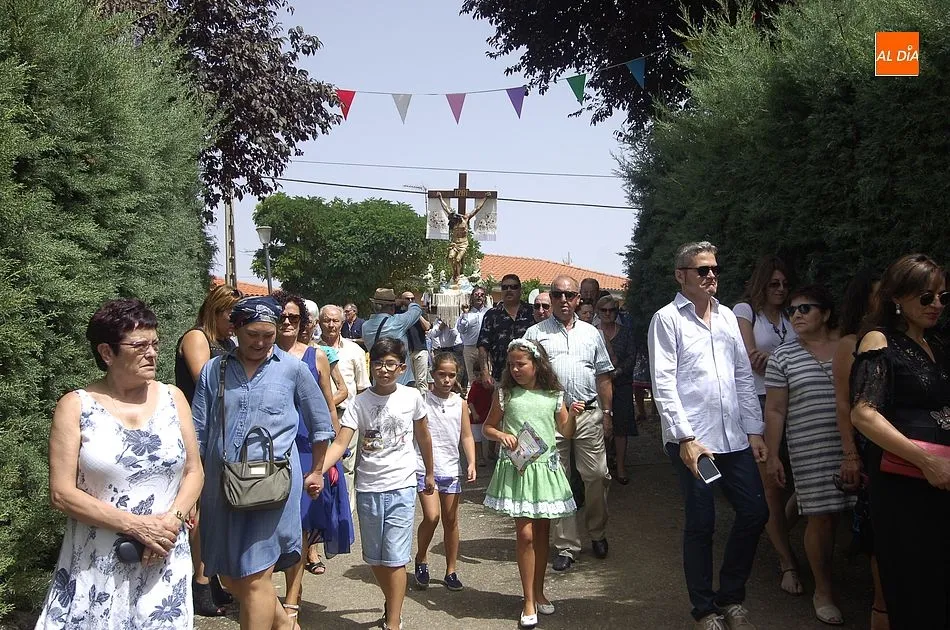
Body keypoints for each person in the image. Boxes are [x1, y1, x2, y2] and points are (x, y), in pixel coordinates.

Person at [37, 298, 204, 628]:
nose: (152, 353)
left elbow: (194, 471)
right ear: (107, 352)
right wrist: (136, 525)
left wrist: (172, 520)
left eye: (155, 343)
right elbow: (61, 493)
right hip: (96, 564)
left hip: (163, 559)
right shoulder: (76, 407)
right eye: (140, 345)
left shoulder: (173, 398)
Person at [191, 296, 333, 630]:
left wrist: (316, 469)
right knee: (228, 576)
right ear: (236, 328)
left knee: (255, 576)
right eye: (253, 333)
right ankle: (285, 624)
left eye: (268, 335)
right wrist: (193, 483)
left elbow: (321, 424)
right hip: (222, 484)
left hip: (272, 484)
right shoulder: (215, 369)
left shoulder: (293, 369)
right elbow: (197, 429)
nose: (260, 342)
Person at [648, 241, 769, 630]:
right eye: (703, 270)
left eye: (715, 268)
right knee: (701, 522)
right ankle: (705, 609)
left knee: (755, 512)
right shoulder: (667, 319)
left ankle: (731, 597)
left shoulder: (729, 317)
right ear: (681, 275)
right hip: (694, 441)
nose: (712, 275)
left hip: (733, 436)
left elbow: (742, 377)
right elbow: (663, 383)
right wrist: (684, 439)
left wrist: (754, 430)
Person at [850, 254, 950, 630]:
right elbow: (863, 413)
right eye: (926, 297)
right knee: (916, 583)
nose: (937, 305)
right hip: (906, 482)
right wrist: (926, 461)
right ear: (897, 297)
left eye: (943, 297)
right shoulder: (879, 339)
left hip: (943, 479)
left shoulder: (937, 343)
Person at [319, 337, 436, 630]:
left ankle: (393, 620)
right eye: (379, 364)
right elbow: (341, 442)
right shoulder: (360, 402)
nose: (383, 370)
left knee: (395, 559)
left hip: (402, 485)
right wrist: (317, 469)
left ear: (402, 368)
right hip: (369, 486)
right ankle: (392, 598)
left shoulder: (412, 398)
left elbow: (424, 437)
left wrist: (430, 472)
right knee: (375, 558)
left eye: (390, 364)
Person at [764, 285, 855, 625]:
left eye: (805, 309)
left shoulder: (850, 346)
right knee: (822, 517)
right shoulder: (783, 356)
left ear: (826, 313)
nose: (796, 316)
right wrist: (773, 455)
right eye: (792, 311)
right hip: (808, 445)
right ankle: (824, 590)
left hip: (853, 444)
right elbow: (774, 411)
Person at [483, 338, 585, 629]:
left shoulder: (553, 394)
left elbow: (564, 430)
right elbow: (489, 426)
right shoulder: (506, 395)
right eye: (512, 364)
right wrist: (501, 435)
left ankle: (538, 592)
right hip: (519, 471)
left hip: (545, 471)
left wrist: (574, 416)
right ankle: (528, 600)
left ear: (536, 365)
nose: (515, 369)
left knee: (542, 535)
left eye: (521, 364)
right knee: (525, 535)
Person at [523, 275, 614, 572]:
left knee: (597, 475)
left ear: (579, 299)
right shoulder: (535, 334)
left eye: (569, 295)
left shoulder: (591, 333)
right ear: (551, 297)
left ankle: (597, 532)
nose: (564, 300)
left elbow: (603, 375)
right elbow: (524, 377)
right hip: (551, 416)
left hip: (588, 414)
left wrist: (608, 414)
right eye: (558, 294)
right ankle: (566, 545)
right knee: (558, 480)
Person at [271, 291, 351, 623]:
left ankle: (292, 600)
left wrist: (334, 456)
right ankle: (270, 595)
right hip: (273, 448)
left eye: (293, 318)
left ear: (303, 323)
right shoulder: (260, 354)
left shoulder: (316, 356)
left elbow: (329, 408)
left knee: (301, 525)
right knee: (273, 524)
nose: (287, 323)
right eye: (281, 317)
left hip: (307, 447)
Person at [733, 255, 802, 595]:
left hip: (796, 402)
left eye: (785, 284)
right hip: (760, 403)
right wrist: (783, 360)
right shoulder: (745, 312)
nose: (781, 289)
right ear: (762, 283)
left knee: (802, 483)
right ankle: (786, 562)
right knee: (771, 486)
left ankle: (774, 532)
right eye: (774, 283)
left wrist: (772, 359)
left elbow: (772, 358)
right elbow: (750, 359)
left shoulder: (793, 315)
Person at [174, 283, 241, 616]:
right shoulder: (197, 338)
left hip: (219, 433)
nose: (236, 321)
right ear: (216, 310)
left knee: (214, 511)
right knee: (199, 514)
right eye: (232, 314)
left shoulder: (226, 342)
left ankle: (210, 577)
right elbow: (207, 381)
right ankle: (199, 587)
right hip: (196, 433)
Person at [831, 270, 888, 630]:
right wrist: (850, 454)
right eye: (880, 294)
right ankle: (881, 608)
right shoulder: (849, 344)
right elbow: (843, 404)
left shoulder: (901, 340)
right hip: (870, 450)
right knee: (878, 532)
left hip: (901, 445)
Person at [413, 352, 477, 592]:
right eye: (442, 374)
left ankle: (451, 569)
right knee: (432, 516)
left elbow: (467, 435)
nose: (447, 380)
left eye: (451, 375)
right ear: (433, 374)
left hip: (450, 467)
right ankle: (421, 558)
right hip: (424, 466)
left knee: (451, 520)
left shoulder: (459, 403)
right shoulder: (422, 400)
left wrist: (471, 461)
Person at [319, 304, 371, 511]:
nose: (331, 325)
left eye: (335, 321)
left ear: (342, 323)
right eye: (326, 320)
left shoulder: (354, 351)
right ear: (319, 322)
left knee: (347, 466)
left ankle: (345, 512)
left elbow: (362, 388)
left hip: (347, 417)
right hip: (319, 417)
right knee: (321, 463)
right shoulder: (312, 348)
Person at [597, 295, 637, 485]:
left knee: (621, 428)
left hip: (621, 386)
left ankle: (620, 466)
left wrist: (617, 372)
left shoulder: (626, 332)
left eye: (611, 310)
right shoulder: (592, 333)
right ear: (598, 312)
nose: (607, 313)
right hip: (599, 387)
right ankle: (602, 466)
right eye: (603, 310)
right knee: (600, 428)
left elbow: (631, 357)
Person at [477, 274, 534, 387]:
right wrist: (485, 373)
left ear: (520, 290)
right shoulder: (491, 315)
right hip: (501, 377)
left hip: (529, 377)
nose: (509, 290)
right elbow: (483, 346)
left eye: (513, 287)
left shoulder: (532, 312)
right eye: (505, 287)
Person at [363, 288, 424, 388]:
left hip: (378, 382)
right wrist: (406, 302)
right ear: (392, 307)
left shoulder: (365, 326)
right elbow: (416, 310)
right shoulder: (398, 322)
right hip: (401, 381)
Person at [436, 191, 489, 282]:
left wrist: (485, 198)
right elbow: (445, 208)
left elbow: (477, 208)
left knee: (457, 259)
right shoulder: (453, 219)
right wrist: (440, 198)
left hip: (463, 243)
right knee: (450, 257)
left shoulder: (465, 218)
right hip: (455, 243)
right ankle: (454, 273)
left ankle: (458, 276)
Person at [456, 286, 490, 389]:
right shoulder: (467, 314)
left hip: (486, 349)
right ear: (472, 297)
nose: (479, 297)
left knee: (488, 375)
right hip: (470, 348)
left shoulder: (489, 312)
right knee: (472, 378)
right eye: (476, 295)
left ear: (485, 298)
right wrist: (465, 315)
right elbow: (461, 330)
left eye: (482, 295)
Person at [467, 368, 494, 465]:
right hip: (477, 416)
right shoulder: (475, 386)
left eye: (481, 375)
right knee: (477, 438)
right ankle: (480, 457)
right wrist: (474, 413)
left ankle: (491, 452)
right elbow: (470, 401)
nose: (478, 378)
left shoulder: (490, 386)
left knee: (492, 436)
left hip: (488, 414)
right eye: (476, 375)